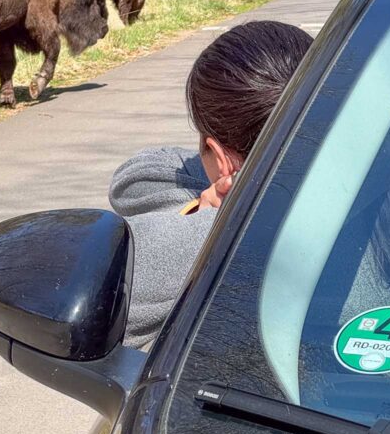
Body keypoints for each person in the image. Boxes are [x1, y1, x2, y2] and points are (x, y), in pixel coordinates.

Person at [109, 20, 314, 348]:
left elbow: (131, 183)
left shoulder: (219, 241)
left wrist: (208, 218)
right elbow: (132, 181)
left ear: (221, 159)